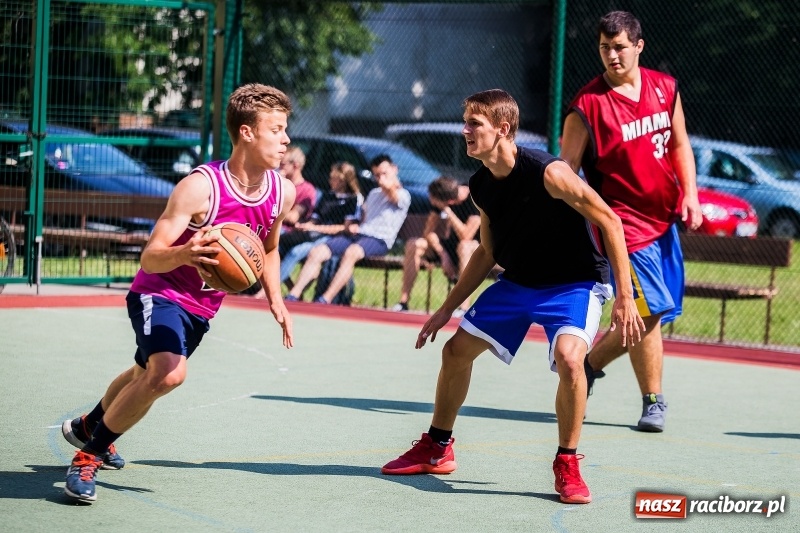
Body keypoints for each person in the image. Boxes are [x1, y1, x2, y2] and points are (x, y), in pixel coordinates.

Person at [380, 89, 644, 505]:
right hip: (520, 282)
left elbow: (610, 221)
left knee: (572, 359)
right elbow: (486, 250)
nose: (464, 131)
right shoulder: (482, 184)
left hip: (574, 282)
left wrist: (626, 296)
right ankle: (437, 446)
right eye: (465, 122)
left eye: (474, 124)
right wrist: (446, 309)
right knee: (454, 352)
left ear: (503, 129)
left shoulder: (549, 172)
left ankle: (568, 462)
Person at [60, 83, 296, 503]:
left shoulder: (282, 192)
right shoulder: (201, 187)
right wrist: (187, 252)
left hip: (201, 309)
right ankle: (88, 457)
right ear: (246, 132)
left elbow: (270, 248)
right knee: (168, 372)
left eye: (285, 129)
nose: (286, 139)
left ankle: (89, 424)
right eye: (276, 129)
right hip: (159, 292)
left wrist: (275, 299)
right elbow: (150, 258)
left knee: (142, 374)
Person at [559, 10, 702, 433]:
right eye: (604, 47)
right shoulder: (586, 106)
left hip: (664, 221)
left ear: (638, 46)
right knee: (650, 310)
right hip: (623, 227)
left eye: (619, 46)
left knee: (655, 311)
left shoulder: (665, 88)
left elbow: (679, 143)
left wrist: (690, 194)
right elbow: (565, 172)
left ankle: (589, 364)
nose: (612, 55)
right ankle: (653, 400)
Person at [285, 154, 410, 305]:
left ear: (394, 169)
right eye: (377, 175)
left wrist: (387, 184)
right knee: (317, 251)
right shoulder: (373, 194)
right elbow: (365, 218)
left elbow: (393, 195)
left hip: (379, 240)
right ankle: (293, 294)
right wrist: (355, 225)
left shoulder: (404, 195)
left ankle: (325, 299)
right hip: (360, 233)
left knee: (351, 253)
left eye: (384, 173)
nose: (380, 178)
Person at [391, 175, 480, 316]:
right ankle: (403, 302)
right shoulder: (440, 199)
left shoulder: (475, 197)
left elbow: (466, 236)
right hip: (451, 247)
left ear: (449, 201)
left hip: (478, 250)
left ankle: (463, 308)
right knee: (414, 243)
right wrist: (443, 254)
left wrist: (447, 211)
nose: (431, 201)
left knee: (464, 246)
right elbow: (428, 232)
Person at [279, 161, 364, 291]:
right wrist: (306, 226)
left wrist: (315, 228)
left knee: (295, 252)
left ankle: (280, 291)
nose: (330, 181)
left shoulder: (353, 199)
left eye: (334, 179)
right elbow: (315, 219)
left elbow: (345, 228)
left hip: (332, 238)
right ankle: (283, 288)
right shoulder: (327, 196)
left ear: (343, 181)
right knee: (278, 247)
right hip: (313, 234)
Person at [279, 145, 317, 232]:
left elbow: (293, 217)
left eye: (283, 164)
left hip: (287, 231)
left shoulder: (307, 189)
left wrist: (268, 211)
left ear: (295, 165)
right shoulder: (279, 183)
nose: (279, 167)